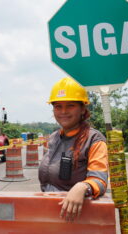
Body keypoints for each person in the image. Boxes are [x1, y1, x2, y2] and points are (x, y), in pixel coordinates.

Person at [38, 77, 108, 222]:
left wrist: (83, 187)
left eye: (70, 105)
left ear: (82, 108)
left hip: (77, 218)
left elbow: (99, 180)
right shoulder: (54, 138)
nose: (63, 111)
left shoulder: (94, 139)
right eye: (58, 106)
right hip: (49, 214)